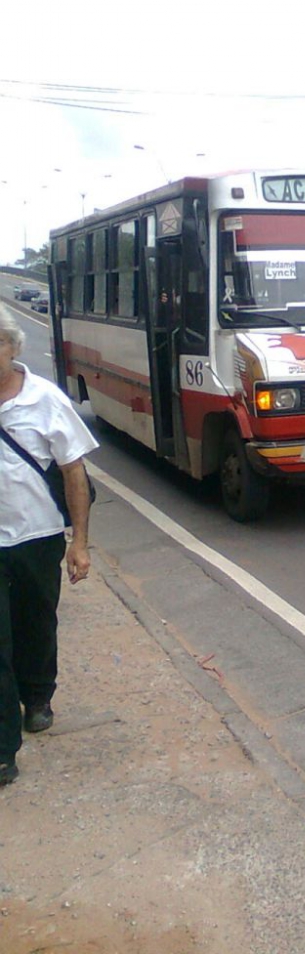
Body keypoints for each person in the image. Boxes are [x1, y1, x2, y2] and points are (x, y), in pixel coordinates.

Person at [0, 302, 98, 787]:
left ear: (13, 347)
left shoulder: (44, 399)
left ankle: (37, 696)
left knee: (35, 621)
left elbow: (73, 471)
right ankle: (3, 749)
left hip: (37, 537)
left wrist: (79, 543)